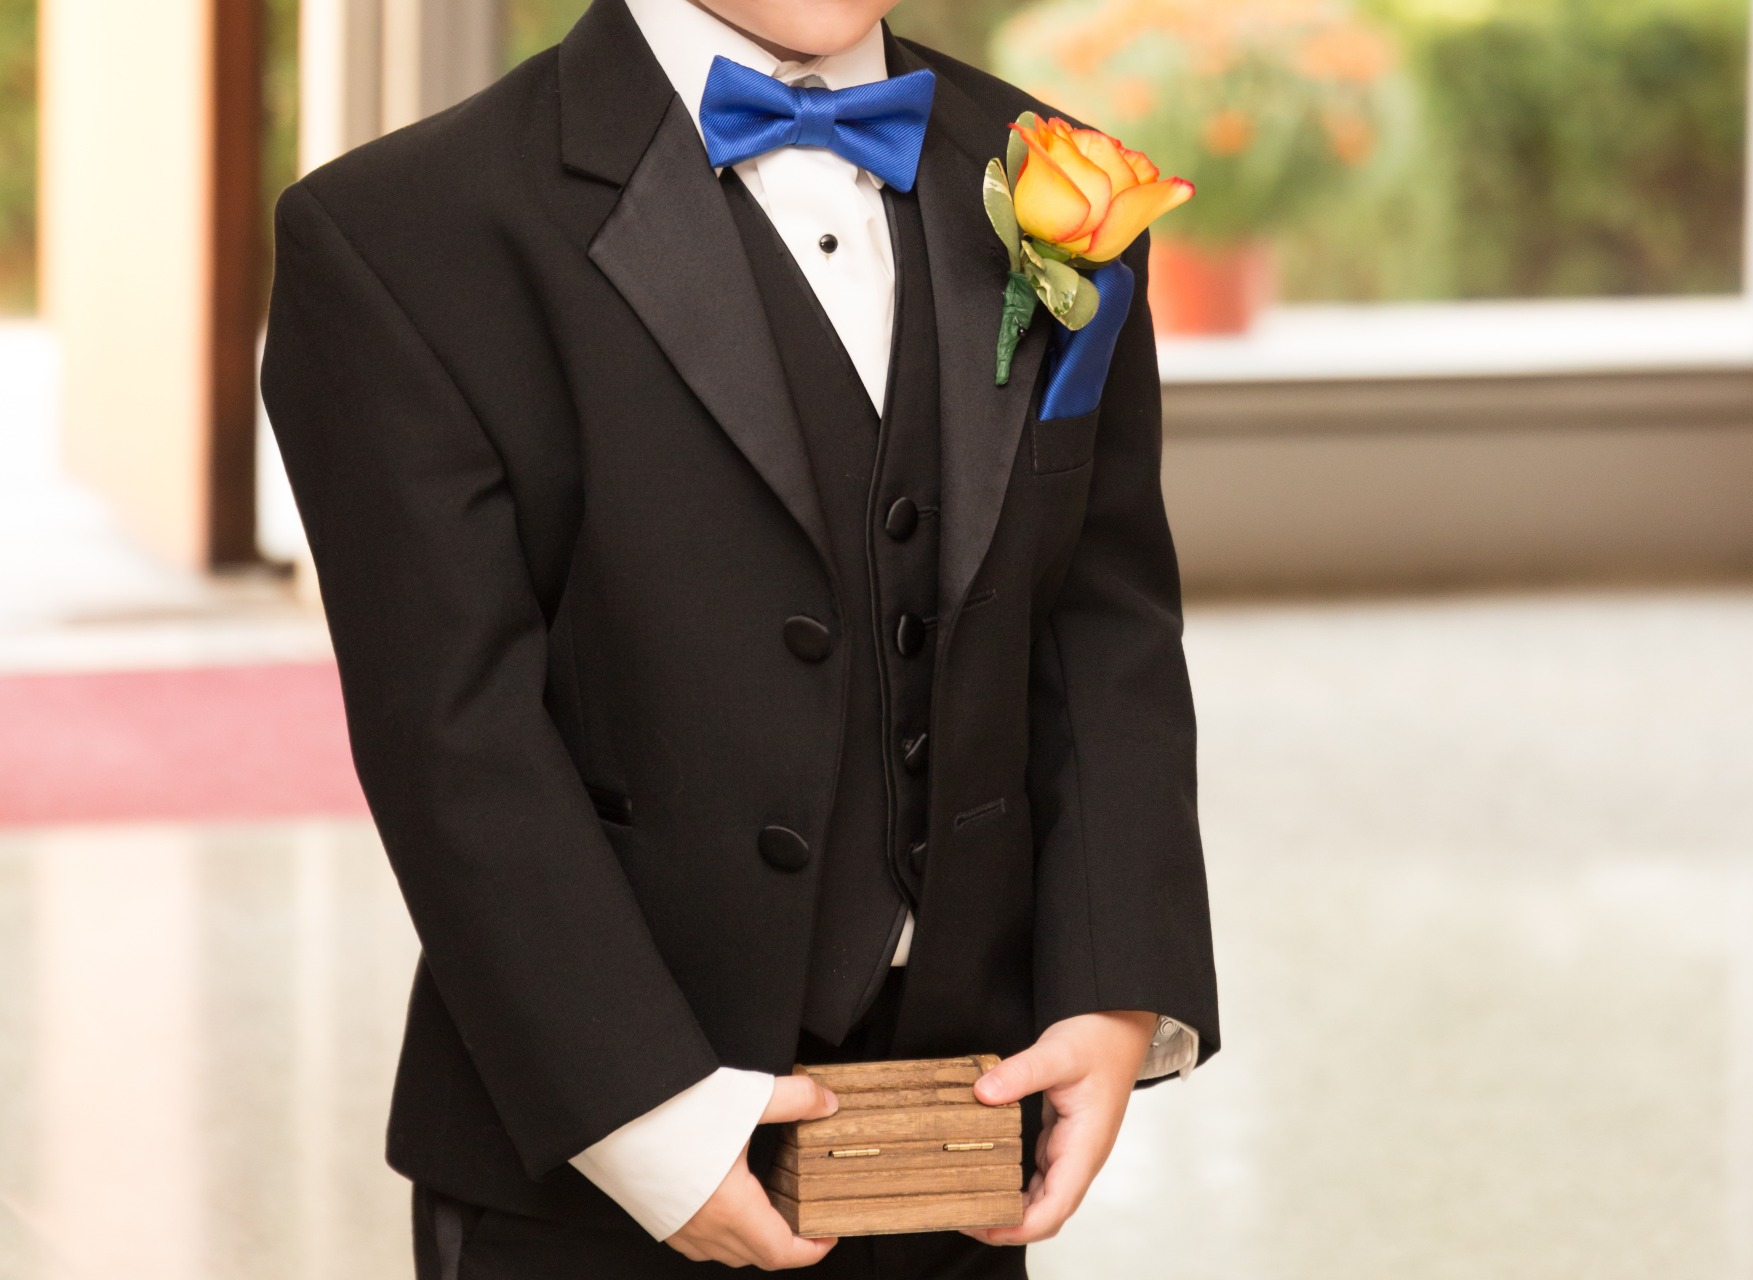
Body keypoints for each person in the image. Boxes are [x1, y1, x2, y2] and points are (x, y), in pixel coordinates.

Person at [260, 0, 1218, 1274]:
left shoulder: (1061, 175)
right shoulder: (400, 235)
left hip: (961, 1127)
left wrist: (1115, 980)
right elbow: (452, 735)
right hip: (588, 1152)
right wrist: (646, 1113)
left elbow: (1104, 617)